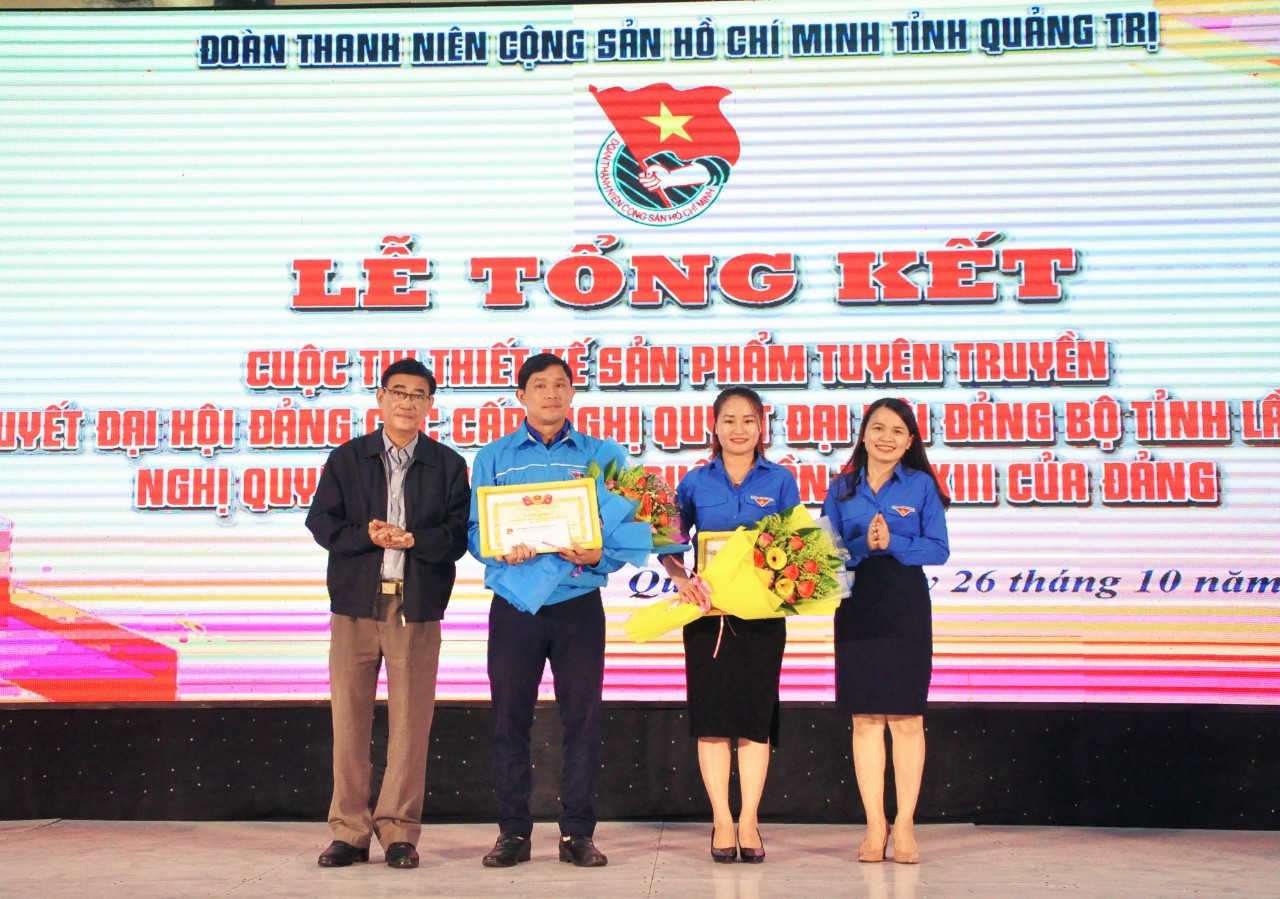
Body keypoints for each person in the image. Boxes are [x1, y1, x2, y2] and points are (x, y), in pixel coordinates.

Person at [306, 358, 470, 870]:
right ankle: (350, 832)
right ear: (380, 398)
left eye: (418, 395)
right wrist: (368, 536)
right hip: (355, 605)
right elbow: (321, 522)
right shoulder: (348, 457)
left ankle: (399, 830)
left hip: (415, 606)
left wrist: (415, 540)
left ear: (429, 405)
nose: (407, 402)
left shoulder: (447, 464)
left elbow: (458, 536)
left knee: (411, 723)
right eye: (398, 392)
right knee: (349, 719)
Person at [467, 353, 629, 869]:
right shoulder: (493, 456)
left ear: (573, 393)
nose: (551, 394)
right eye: (540, 385)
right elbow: (475, 531)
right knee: (509, 720)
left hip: (578, 604)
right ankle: (512, 832)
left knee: (583, 720)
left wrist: (599, 554)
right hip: (515, 606)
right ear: (521, 396)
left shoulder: (604, 455)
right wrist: (499, 548)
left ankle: (577, 833)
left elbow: (627, 528)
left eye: (561, 384)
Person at [660, 386, 800, 864]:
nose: (739, 429)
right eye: (729, 420)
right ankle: (722, 819)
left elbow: (796, 546)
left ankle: (750, 820)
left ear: (762, 427)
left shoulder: (780, 480)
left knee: (755, 721)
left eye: (748, 420)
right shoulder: (694, 482)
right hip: (708, 617)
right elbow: (670, 542)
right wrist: (682, 579)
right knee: (713, 721)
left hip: (762, 618)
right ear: (714, 426)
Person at [821, 397, 950, 865]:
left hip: (904, 606)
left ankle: (906, 825)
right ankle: (876, 825)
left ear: (910, 440)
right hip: (858, 605)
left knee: (907, 718)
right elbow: (825, 553)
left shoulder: (921, 486)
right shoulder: (841, 488)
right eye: (878, 428)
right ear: (864, 434)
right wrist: (861, 545)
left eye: (897, 430)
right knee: (866, 719)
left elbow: (939, 550)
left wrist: (894, 542)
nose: (886, 438)